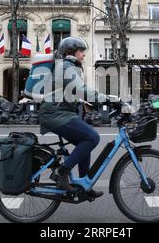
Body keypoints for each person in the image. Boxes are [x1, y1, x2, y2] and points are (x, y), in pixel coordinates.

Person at [39, 37, 108, 198]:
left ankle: (84, 184)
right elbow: (80, 89)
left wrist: (90, 103)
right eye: (81, 51)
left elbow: (74, 92)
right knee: (92, 137)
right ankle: (62, 171)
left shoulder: (68, 67)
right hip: (55, 114)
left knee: (85, 141)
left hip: (61, 113)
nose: (83, 55)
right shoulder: (65, 67)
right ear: (71, 52)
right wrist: (108, 99)